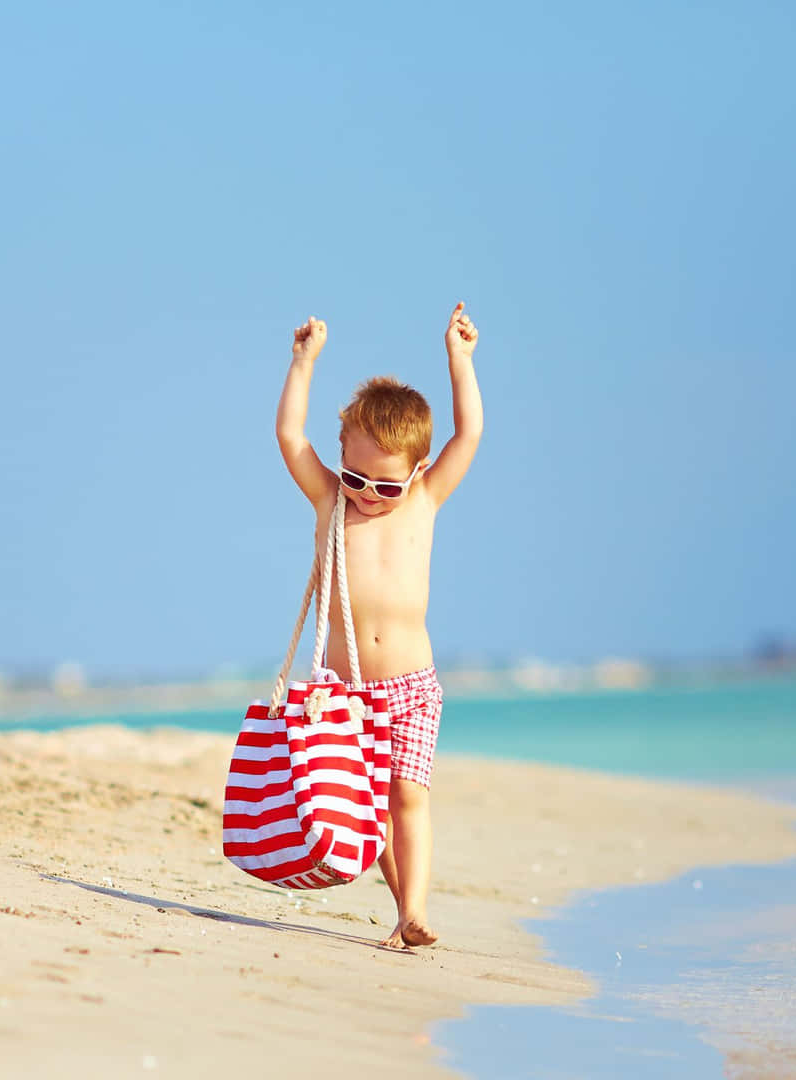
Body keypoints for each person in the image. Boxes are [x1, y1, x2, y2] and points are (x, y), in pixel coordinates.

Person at [273, 302, 483, 949]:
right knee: (370, 812)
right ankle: (403, 911)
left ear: (415, 473)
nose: (369, 493)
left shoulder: (423, 499)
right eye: (358, 476)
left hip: (413, 686)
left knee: (408, 797)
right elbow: (289, 436)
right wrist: (302, 364)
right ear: (342, 457)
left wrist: (459, 361)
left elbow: (468, 435)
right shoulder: (330, 498)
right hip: (347, 688)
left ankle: (415, 911)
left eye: (384, 486)